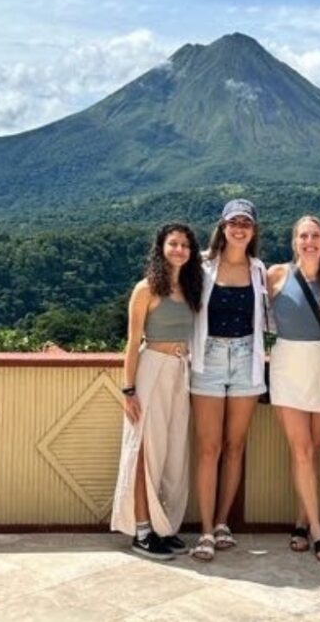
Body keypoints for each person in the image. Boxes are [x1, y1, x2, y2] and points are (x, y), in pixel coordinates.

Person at [111, 223, 203, 559]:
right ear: (161, 248)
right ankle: (142, 530)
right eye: (173, 244)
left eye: (185, 245)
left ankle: (163, 526)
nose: (179, 250)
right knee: (144, 453)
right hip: (152, 370)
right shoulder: (146, 289)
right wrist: (128, 389)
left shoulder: (191, 288)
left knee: (171, 454)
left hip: (180, 372)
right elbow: (133, 343)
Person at [188, 199, 270, 561]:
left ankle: (222, 523)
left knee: (235, 446)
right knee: (209, 448)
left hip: (247, 357)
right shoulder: (202, 266)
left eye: (246, 224)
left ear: (253, 231)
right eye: (233, 222)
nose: (239, 229)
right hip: (208, 358)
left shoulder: (259, 270)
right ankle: (204, 530)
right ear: (222, 227)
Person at [267, 215, 320, 565]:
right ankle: (317, 530)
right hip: (287, 363)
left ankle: (300, 521)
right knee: (300, 451)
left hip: (319, 363)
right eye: (303, 236)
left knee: (313, 450)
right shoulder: (276, 275)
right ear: (294, 241)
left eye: (315, 236)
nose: (309, 241)